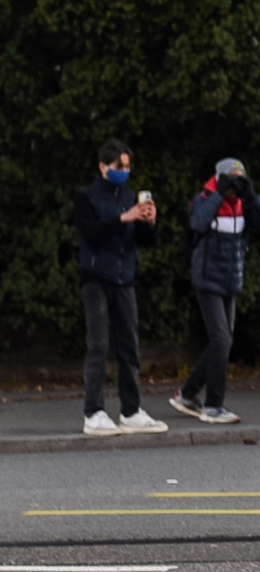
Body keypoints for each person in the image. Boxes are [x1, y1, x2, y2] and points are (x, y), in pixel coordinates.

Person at [173, 157, 260, 425]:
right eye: (230, 179)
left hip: (231, 281)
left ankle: (187, 394)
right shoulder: (205, 199)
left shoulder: (243, 204)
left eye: (239, 180)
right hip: (207, 280)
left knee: (222, 341)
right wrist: (219, 194)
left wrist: (252, 196)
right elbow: (197, 222)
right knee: (222, 340)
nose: (235, 186)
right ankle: (213, 406)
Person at [72, 138, 163, 436]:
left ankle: (131, 410)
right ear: (102, 167)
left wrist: (149, 223)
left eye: (127, 166)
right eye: (118, 166)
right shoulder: (86, 197)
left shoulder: (128, 197)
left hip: (125, 276)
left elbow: (143, 241)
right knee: (98, 344)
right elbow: (90, 234)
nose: (124, 170)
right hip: (96, 276)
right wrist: (124, 218)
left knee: (130, 346)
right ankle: (93, 411)